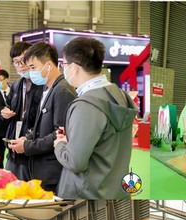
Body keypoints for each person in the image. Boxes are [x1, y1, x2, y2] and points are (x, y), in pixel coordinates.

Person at [54, 37, 137, 199]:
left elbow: (75, 162)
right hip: (115, 191)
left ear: (74, 68)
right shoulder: (119, 96)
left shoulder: (86, 105)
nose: (63, 69)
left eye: (63, 64)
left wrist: (60, 144)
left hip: (85, 194)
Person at [8, 42, 77, 192]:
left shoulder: (62, 91)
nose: (30, 72)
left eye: (33, 67)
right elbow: (42, 128)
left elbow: (60, 134)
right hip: (41, 168)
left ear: (49, 65)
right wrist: (27, 138)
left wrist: (27, 146)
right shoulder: (49, 89)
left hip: (52, 171)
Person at [1, 41, 43, 180]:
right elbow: (7, 107)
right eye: (16, 62)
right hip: (13, 148)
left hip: (34, 150)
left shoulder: (44, 84)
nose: (20, 65)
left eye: (23, 60)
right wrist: (4, 114)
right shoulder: (16, 85)